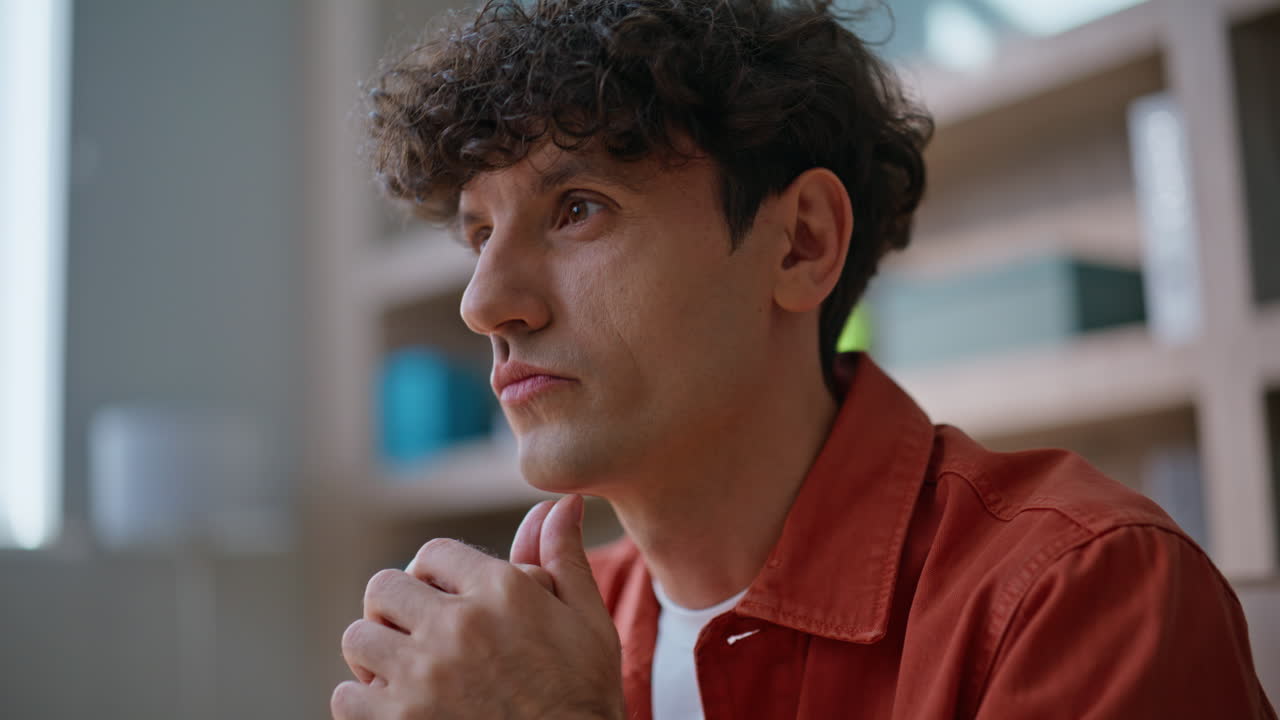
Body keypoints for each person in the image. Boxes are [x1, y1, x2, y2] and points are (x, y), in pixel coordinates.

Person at [332, 0, 1277, 718]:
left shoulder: (1082, 595)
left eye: (577, 207)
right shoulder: (519, 646)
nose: (483, 302)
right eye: (478, 236)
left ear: (801, 245)